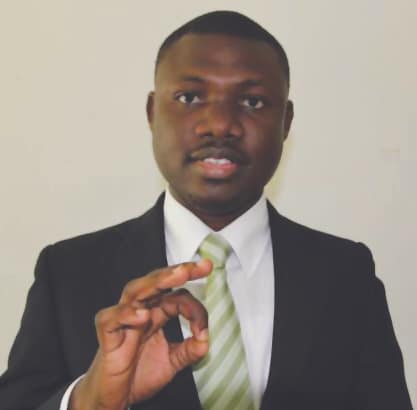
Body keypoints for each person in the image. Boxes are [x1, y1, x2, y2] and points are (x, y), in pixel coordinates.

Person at [0, 10, 412, 410]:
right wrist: (90, 401)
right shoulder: (68, 272)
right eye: (190, 97)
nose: (220, 125)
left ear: (286, 122)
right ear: (152, 112)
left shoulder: (346, 275)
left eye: (253, 101)